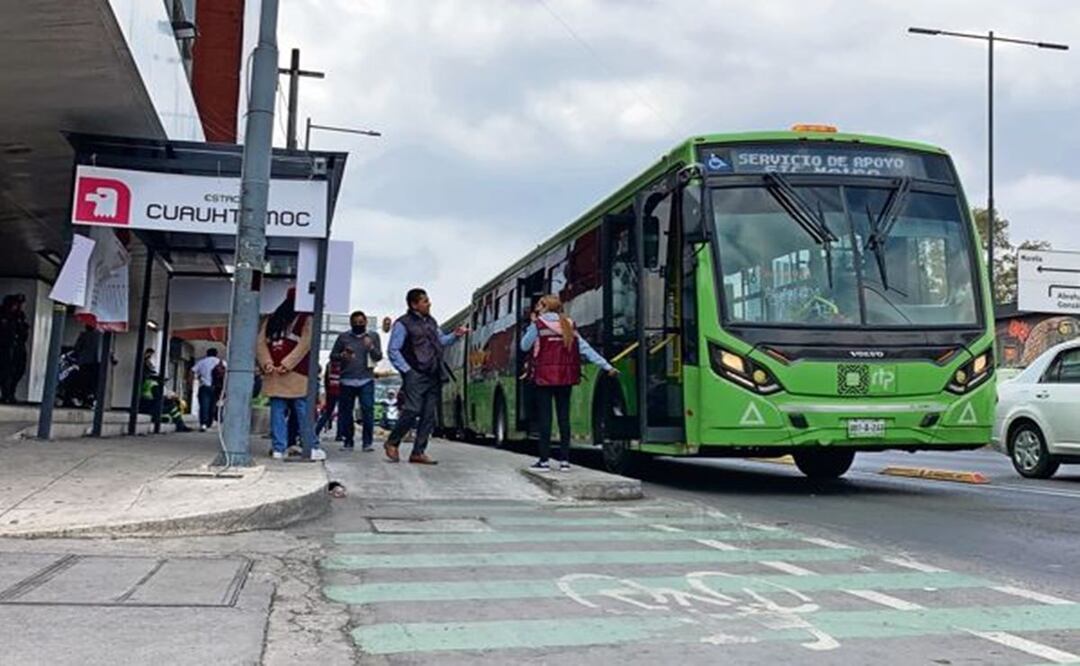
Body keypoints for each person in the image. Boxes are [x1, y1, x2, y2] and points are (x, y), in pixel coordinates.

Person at [520, 294, 617, 472]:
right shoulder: (569, 325)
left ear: (544, 307)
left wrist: (531, 326)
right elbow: (586, 350)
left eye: (539, 306)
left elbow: (524, 346)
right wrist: (607, 366)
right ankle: (565, 461)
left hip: (544, 378)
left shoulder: (538, 325)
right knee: (564, 419)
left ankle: (544, 461)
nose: (537, 309)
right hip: (565, 378)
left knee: (545, 420)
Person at [384, 288, 467, 464]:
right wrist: (406, 370)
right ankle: (392, 442)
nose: (429, 303)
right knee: (412, 409)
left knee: (429, 415)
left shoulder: (431, 322)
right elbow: (393, 350)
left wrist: (455, 335)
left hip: (434, 373)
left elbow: (441, 341)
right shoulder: (402, 324)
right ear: (414, 304)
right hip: (415, 373)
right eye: (425, 301)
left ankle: (418, 452)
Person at [256, 288, 325, 461]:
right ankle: (311, 446)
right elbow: (305, 344)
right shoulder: (306, 318)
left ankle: (279, 448)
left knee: (277, 410)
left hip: (273, 373)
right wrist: (287, 365)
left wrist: (268, 364)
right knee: (303, 410)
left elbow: (260, 344)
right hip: (297, 373)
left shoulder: (271, 319)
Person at [330, 311, 383, 452]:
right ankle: (348, 441)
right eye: (355, 323)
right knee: (346, 412)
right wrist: (342, 355)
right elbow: (333, 356)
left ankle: (367, 442)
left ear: (366, 322)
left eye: (361, 322)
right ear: (351, 324)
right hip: (347, 379)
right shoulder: (343, 338)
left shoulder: (373, 336)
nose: (358, 325)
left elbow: (378, 357)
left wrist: (371, 347)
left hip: (366, 379)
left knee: (367, 410)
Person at [139, 348, 191, 432]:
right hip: (151, 408)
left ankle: (178, 423)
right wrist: (169, 399)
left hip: (146, 406)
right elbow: (159, 399)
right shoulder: (154, 386)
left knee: (171, 410)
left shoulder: (149, 383)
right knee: (172, 408)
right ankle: (180, 425)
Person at [0, 294, 29, 403]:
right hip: (5, 347)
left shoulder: (20, 316)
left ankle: (10, 393)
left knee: (18, 371)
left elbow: (23, 332)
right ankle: (6, 394)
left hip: (18, 347)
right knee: (6, 372)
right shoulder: (3, 315)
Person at [191, 348, 224, 432]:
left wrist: (191, 383)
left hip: (205, 386)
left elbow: (192, 371)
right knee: (213, 405)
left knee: (204, 406)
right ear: (216, 354)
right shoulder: (221, 362)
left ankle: (204, 424)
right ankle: (210, 422)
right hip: (217, 387)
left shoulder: (202, 362)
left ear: (207, 354)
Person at [72, 324, 101, 407]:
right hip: (95, 362)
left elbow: (77, 348)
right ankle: (90, 398)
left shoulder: (83, 335)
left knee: (81, 381)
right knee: (92, 383)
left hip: (83, 362)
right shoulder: (99, 335)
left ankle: (80, 397)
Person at [315, 360, 344, 440]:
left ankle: (316, 431)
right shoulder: (344, 363)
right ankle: (340, 434)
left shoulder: (329, 364)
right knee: (342, 412)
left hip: (331, 390)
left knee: (328, 412)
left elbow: (326, 380)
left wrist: (327, 391)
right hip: (340, 390)